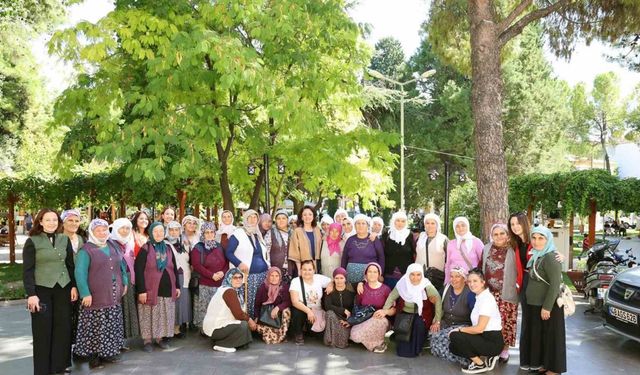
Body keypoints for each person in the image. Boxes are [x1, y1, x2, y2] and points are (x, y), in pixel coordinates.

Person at [23, 208, 78, 375]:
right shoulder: (32, 241)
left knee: (63, 327)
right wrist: (31, 294)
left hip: (63, 288)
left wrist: (73, 286)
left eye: (55, 220)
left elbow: (70, 265)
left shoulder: (64, 239)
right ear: (40, 221)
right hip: (41, 290)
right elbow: (28, 270)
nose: (52, 223)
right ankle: (42, 370)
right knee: (42, 330)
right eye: (48, 220)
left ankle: (60, 366)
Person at [73, 219, 127, 368]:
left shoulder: (112, 245)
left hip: (114, 292)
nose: (103, 233)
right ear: (92, 232)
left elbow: (122, 265)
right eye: (99, 230)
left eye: (105, 230)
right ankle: (94, 357)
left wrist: (125, 282)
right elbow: (80, 273)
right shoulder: (86, 250)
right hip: (95, 295)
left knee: (111, 324)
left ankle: (108, 353)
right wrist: (85, 293)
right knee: (96, 326)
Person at [519, 226, 566, 374]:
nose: (536, 241)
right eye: (534, 238)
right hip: (536, 304)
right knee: (543, 337)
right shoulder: (537, 255)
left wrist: (547, 307)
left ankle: (554, 368)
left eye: (541, 238)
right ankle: (545, 364)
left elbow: (555, 284)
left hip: (548, 306)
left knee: (552, 337)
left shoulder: (551, 257)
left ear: (548, 240)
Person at [135, 222, 180, 352]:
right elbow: (138, 270)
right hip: (150, 288)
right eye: (155, 231)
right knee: (148, 314)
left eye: (161, 231)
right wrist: (141, 290)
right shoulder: (146, 248)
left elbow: (174, 268)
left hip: (167, 288)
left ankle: (160, 338)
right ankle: (147, 340)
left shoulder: (168, 248)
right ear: (151, 233)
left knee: (163, 314)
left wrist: (176, 286)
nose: (159, 234)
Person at [448, 268, 503, 374]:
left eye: (475, 281)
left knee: (455, 336)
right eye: (469, 281)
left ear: (483, 282)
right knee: (453, 346)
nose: (471, 284)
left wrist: (459, 329)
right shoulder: (479, 297)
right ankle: (487, 357)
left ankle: (480, 364)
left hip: (492, 341)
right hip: (483, 337)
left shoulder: (486, 299)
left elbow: (479, 328)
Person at [381, 263, 442, 358]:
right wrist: (384, 311)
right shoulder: (402, 284)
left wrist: (437, 320)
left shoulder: (426, 285)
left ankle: (417, 349)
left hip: (422, 314)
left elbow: (437, 300)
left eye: (418, 275)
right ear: (408, 274)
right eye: (412, 274)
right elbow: (391, 297)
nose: (415, 278)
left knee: (418, 324)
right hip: (404, 314)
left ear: (422, 275)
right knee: (402, 345)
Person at [482, 223, 520, 363]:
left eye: (502, 233)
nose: (499, 236)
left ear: (507, 234)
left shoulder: (513, 248)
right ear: (491, 236)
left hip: (507, 293)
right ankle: (491, 348)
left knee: (506, 322)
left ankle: (505, 349)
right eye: (495, 234)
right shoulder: (486, 248)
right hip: (489, 294)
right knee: (489, 322)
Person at [226, 209, 269, 319]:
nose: (252, 219)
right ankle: (248, 324)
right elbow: (229, 252)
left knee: (259, 301)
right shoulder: (238, 234)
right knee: (249, 301)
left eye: (255, 217)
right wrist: (239, 263)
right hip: (248, 275)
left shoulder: (257, 233)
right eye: (249, 217)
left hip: (262, 275)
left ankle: (258, 324)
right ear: (245, 218)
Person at [430, 266, 476, 366]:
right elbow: (437, 302)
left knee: (442, 338)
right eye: (451, 276)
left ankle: (464, 359)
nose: (453, 279)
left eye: (457, 277)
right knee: (433, 334)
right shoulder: (446, 288)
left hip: (462, 325)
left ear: (464, 279)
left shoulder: (470, 293)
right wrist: (437, 321)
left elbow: (475, 314)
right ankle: (456, 355)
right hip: (446, 322)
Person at [202, 268, 256, 352]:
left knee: (244, 329)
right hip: (216, 329)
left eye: (240, 277)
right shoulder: (229, 291)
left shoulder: (229, 289)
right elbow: (238, 314)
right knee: (244, 325)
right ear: (229, 278)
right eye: (235, 278)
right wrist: (250, 320)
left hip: (216, 327)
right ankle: (222, 345)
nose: (238, 280)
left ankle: (221, 341)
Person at [191, 222, 228, 328]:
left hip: (219, 284)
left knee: (217, 308)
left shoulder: (219, 247)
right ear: (203, 233)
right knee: (204, 308)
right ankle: (204, 329)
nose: (210, 234)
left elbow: (226, 263)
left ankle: (216, 329)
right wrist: (212, 275)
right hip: (204, 284)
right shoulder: (198, 248)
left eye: (212, 232)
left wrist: (223, 272)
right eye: (207, 232)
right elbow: (197, 265)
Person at [109, 217, 139, 348]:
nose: (125, 230)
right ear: (116, 228)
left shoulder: (128, 243)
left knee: (126, 310)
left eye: (128, 228)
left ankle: (121, 341)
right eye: (122, 228)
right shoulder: (109, 243)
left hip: (129, 280)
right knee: (117, 311)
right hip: (115, 282)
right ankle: (115, 342)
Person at [350, 262, 393, 353]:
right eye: (370, 271)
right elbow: (357, 306)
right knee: (354, 336)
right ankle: (372, 343)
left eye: (375, 272)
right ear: (365, 274)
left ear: (379, 274)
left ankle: (380, 344)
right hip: (366, 318)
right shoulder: (361, 288)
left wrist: (385, 312)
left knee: (378, 321)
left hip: (381, 319)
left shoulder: (386, 289)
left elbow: (394, 309)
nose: (372, 274)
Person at [289, 260, 332, 345]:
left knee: (319, 335)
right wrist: (309, 311)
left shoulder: (318, 278)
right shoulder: (296, 281)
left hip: (317, 310)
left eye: (310, 269)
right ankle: (298, 333)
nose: (307, 272)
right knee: (297, 311)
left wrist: (331, 285)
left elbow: (332, 280)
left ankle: (309, 329)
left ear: (314, 270)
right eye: (304, 269)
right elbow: (295, 302)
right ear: (300, 270)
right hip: (303, 309)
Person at [341, 214, 384, 284]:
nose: (360, 226)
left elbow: (381, 257)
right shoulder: (350, 240)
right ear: (355, 226)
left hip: (369, 276)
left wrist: (380, 274)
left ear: (367, 226)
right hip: (351, 276)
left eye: (363, 223)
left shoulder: (374, 239)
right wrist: (342, 274)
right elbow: (344, 258)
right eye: (358, 223)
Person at [253, 267, 292, 344]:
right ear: (268, 276)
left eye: (276, 276)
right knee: (269, 340)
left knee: (286, 311)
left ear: (280, 277)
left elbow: (288, 301)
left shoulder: (284, 287)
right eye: (272, 275)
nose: (274, 278)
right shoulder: (263, 288)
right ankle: (275, 335)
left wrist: (278, 308)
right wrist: (256, 317)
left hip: (278, 315)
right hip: (266, 316)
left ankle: (282, 334)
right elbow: (257, 305)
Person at [166, 220, 191, 338]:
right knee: (171, 302)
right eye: (171, 229)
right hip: (171, 277)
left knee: (181, 302)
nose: (174, 232)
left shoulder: (184, 244)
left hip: (184, 276)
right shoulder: (165, 244)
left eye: (176, 229)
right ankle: (168, 330)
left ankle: (177, 328)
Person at [445, 217, 484, 284]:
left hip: (471, 281)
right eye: (457, 226)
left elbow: (483, 261)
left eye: (463, 225)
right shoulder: (451, 243)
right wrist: (447, 281)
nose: (460, 228)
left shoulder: (476, 242)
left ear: (467, 226)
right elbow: (448, 264)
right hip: (455, 281)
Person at [323, 267, 355, 348]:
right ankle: (332, 341)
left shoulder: (351, 290)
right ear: (333, 279)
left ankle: (337, 341)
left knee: (343, 340)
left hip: (347, 320)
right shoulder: (329, 290)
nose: (339, 280)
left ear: (345, 279)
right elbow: (327, 306)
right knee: (329, 313)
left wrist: (350, 320)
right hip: (335, 317)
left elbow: (364, 282)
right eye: (336, 278)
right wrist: (343, 310)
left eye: (341, 278)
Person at [416, 213, 449, 291]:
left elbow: (449, 258)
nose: (430, 226)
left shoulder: (443, 239)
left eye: (432, 223)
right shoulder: (420, 236)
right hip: (420, 276)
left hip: (437, 277)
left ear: (437, 225)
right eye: (427, 223)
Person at [382, 211, 415, 288]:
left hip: (406, 276)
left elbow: (414, 253)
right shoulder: (386, 235)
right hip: (389, 275)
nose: (400, 223)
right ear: (394, 221)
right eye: (398, 220)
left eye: (403, 221)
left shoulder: (410, 235)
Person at [288, 206, 322, 273]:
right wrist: (299, 269)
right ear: (301, 217)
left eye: (310, 214)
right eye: (305, 214)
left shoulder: (317, 230)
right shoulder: (297, 231)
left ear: (313, 216)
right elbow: (295, 251)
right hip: (303, 266)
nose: (307, 217)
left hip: (317, 265)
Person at [264, 210, 294, 278]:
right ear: (276, 220)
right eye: (278, 218)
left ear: (287, 220)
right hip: (275, 271)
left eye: (283, 218)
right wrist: (269, 268)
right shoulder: (271, 233)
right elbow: (266, 252)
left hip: (291, 270)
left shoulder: (293, 233)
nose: (281, 220)